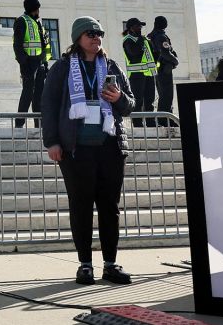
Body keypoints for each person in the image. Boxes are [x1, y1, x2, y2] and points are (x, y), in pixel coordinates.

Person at [41, 16, 135, 287]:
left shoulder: (112, 65)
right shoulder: (62, 68)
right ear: (78, 38)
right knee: (81, 206)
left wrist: (119, 99)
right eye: (90, 34)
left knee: (109, 207)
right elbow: (48, 106)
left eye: (99, 33)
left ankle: (109, 264)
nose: (96, 37)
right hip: (76, 148)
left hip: (109, 147)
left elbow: (130, 105)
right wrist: (52, 142)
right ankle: (85, 264)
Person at [12, 0, 52, 128]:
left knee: (39, 96)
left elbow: (43, 45)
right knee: (27, 93)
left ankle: (38, 125)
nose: (38, 12)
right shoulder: (21, 21)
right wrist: (24, 64)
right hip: (28, 64)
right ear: (31, 9)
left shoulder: (37, 23)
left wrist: (45, 64)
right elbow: (17, 45)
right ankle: (19, 124)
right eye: (37, 9)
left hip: (39, 63)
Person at [121, 18, 155, 127]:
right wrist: (141, 40)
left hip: (148, 74)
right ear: (131, 28)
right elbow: (134, 55)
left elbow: (152, 55)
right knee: (138, 100)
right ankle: (137, 124)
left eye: (141, 26)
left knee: (150, 100)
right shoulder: (128, 40)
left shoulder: (144, 39)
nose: (140, 28)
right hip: (136, 74)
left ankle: (150, 123)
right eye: (138, 26)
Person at [147, 16, 180, 124]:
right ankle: (164, 119)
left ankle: (164, 118)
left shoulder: (151, 35)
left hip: (157, 67)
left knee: (163, 94)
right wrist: (175, 61)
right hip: (164, 68)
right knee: (167, 94)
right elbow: (165, 52)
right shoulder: (160, 36)